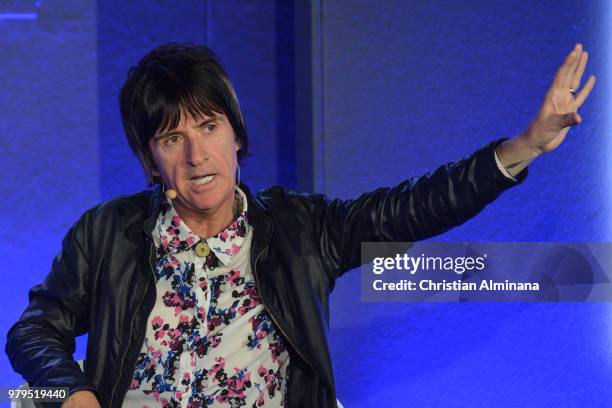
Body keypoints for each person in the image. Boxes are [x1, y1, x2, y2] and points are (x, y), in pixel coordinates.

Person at [6, 42, 595, 408]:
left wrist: (525, 146)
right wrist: (71, 393)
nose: (195, 156)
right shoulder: (106, 233)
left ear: (236, 134)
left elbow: (415, 207)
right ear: (150, 160)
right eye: (171, 139)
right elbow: (33, 332)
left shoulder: (299, 228)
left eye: (209, 128)